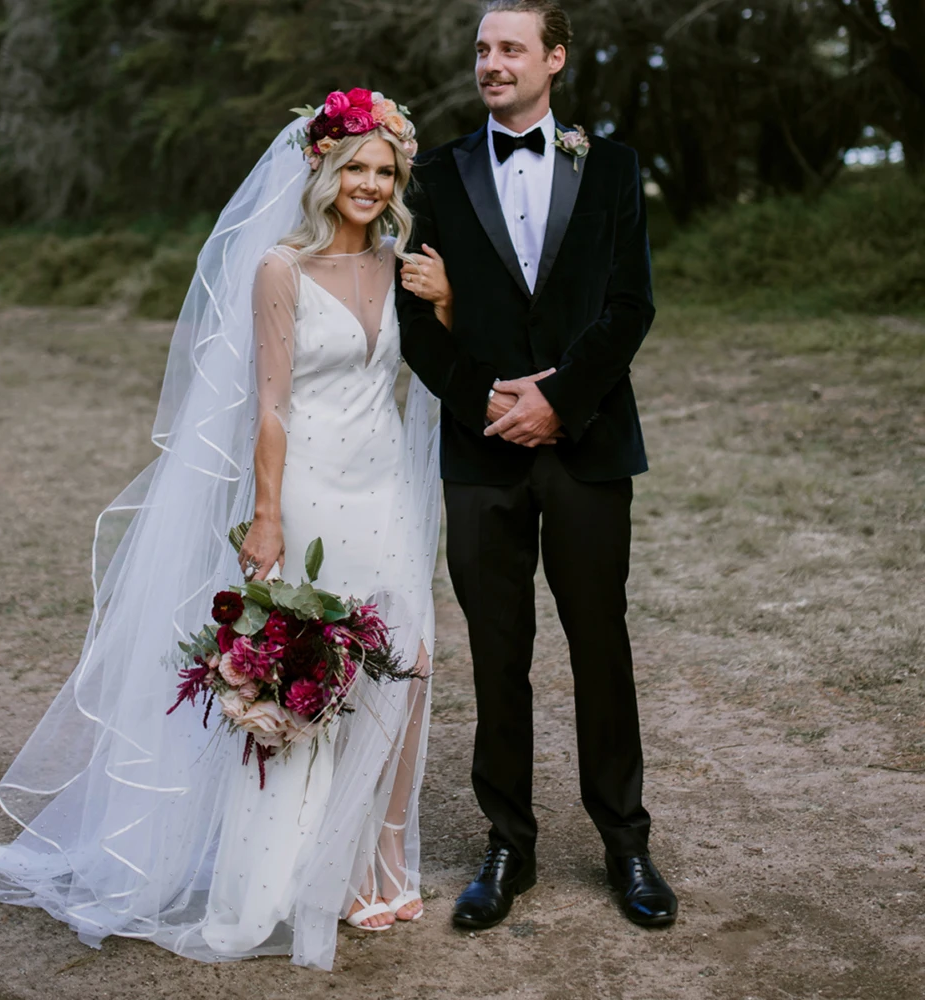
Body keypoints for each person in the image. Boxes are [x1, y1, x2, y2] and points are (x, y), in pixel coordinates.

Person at [0, 88, 442, 971]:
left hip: (385, 483)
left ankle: (380, 861)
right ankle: (277, 877)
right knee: (311, 674)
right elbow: (271, 403)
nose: (367, 181)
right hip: (312, 486)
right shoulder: (281, 268)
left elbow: (437, 367)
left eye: (382, 170)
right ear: (322, 169)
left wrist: (454, 304)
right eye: (353, 165)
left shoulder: (403, 264)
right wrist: (270, 514)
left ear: (397, 181)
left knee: (412, 665)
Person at [397, 0, 679, 931]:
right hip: (479, 455)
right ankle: (507, 844)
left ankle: (626, 843)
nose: (492, 62)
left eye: (511, 47)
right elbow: (412, 319)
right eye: (482, 48)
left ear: (554, 58)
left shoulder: (614, 165)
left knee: (601, 641)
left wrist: (560, 400)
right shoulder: (432, 173)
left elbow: (630, 304)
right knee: (496, 649)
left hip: (589, 442)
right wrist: (486, 400)